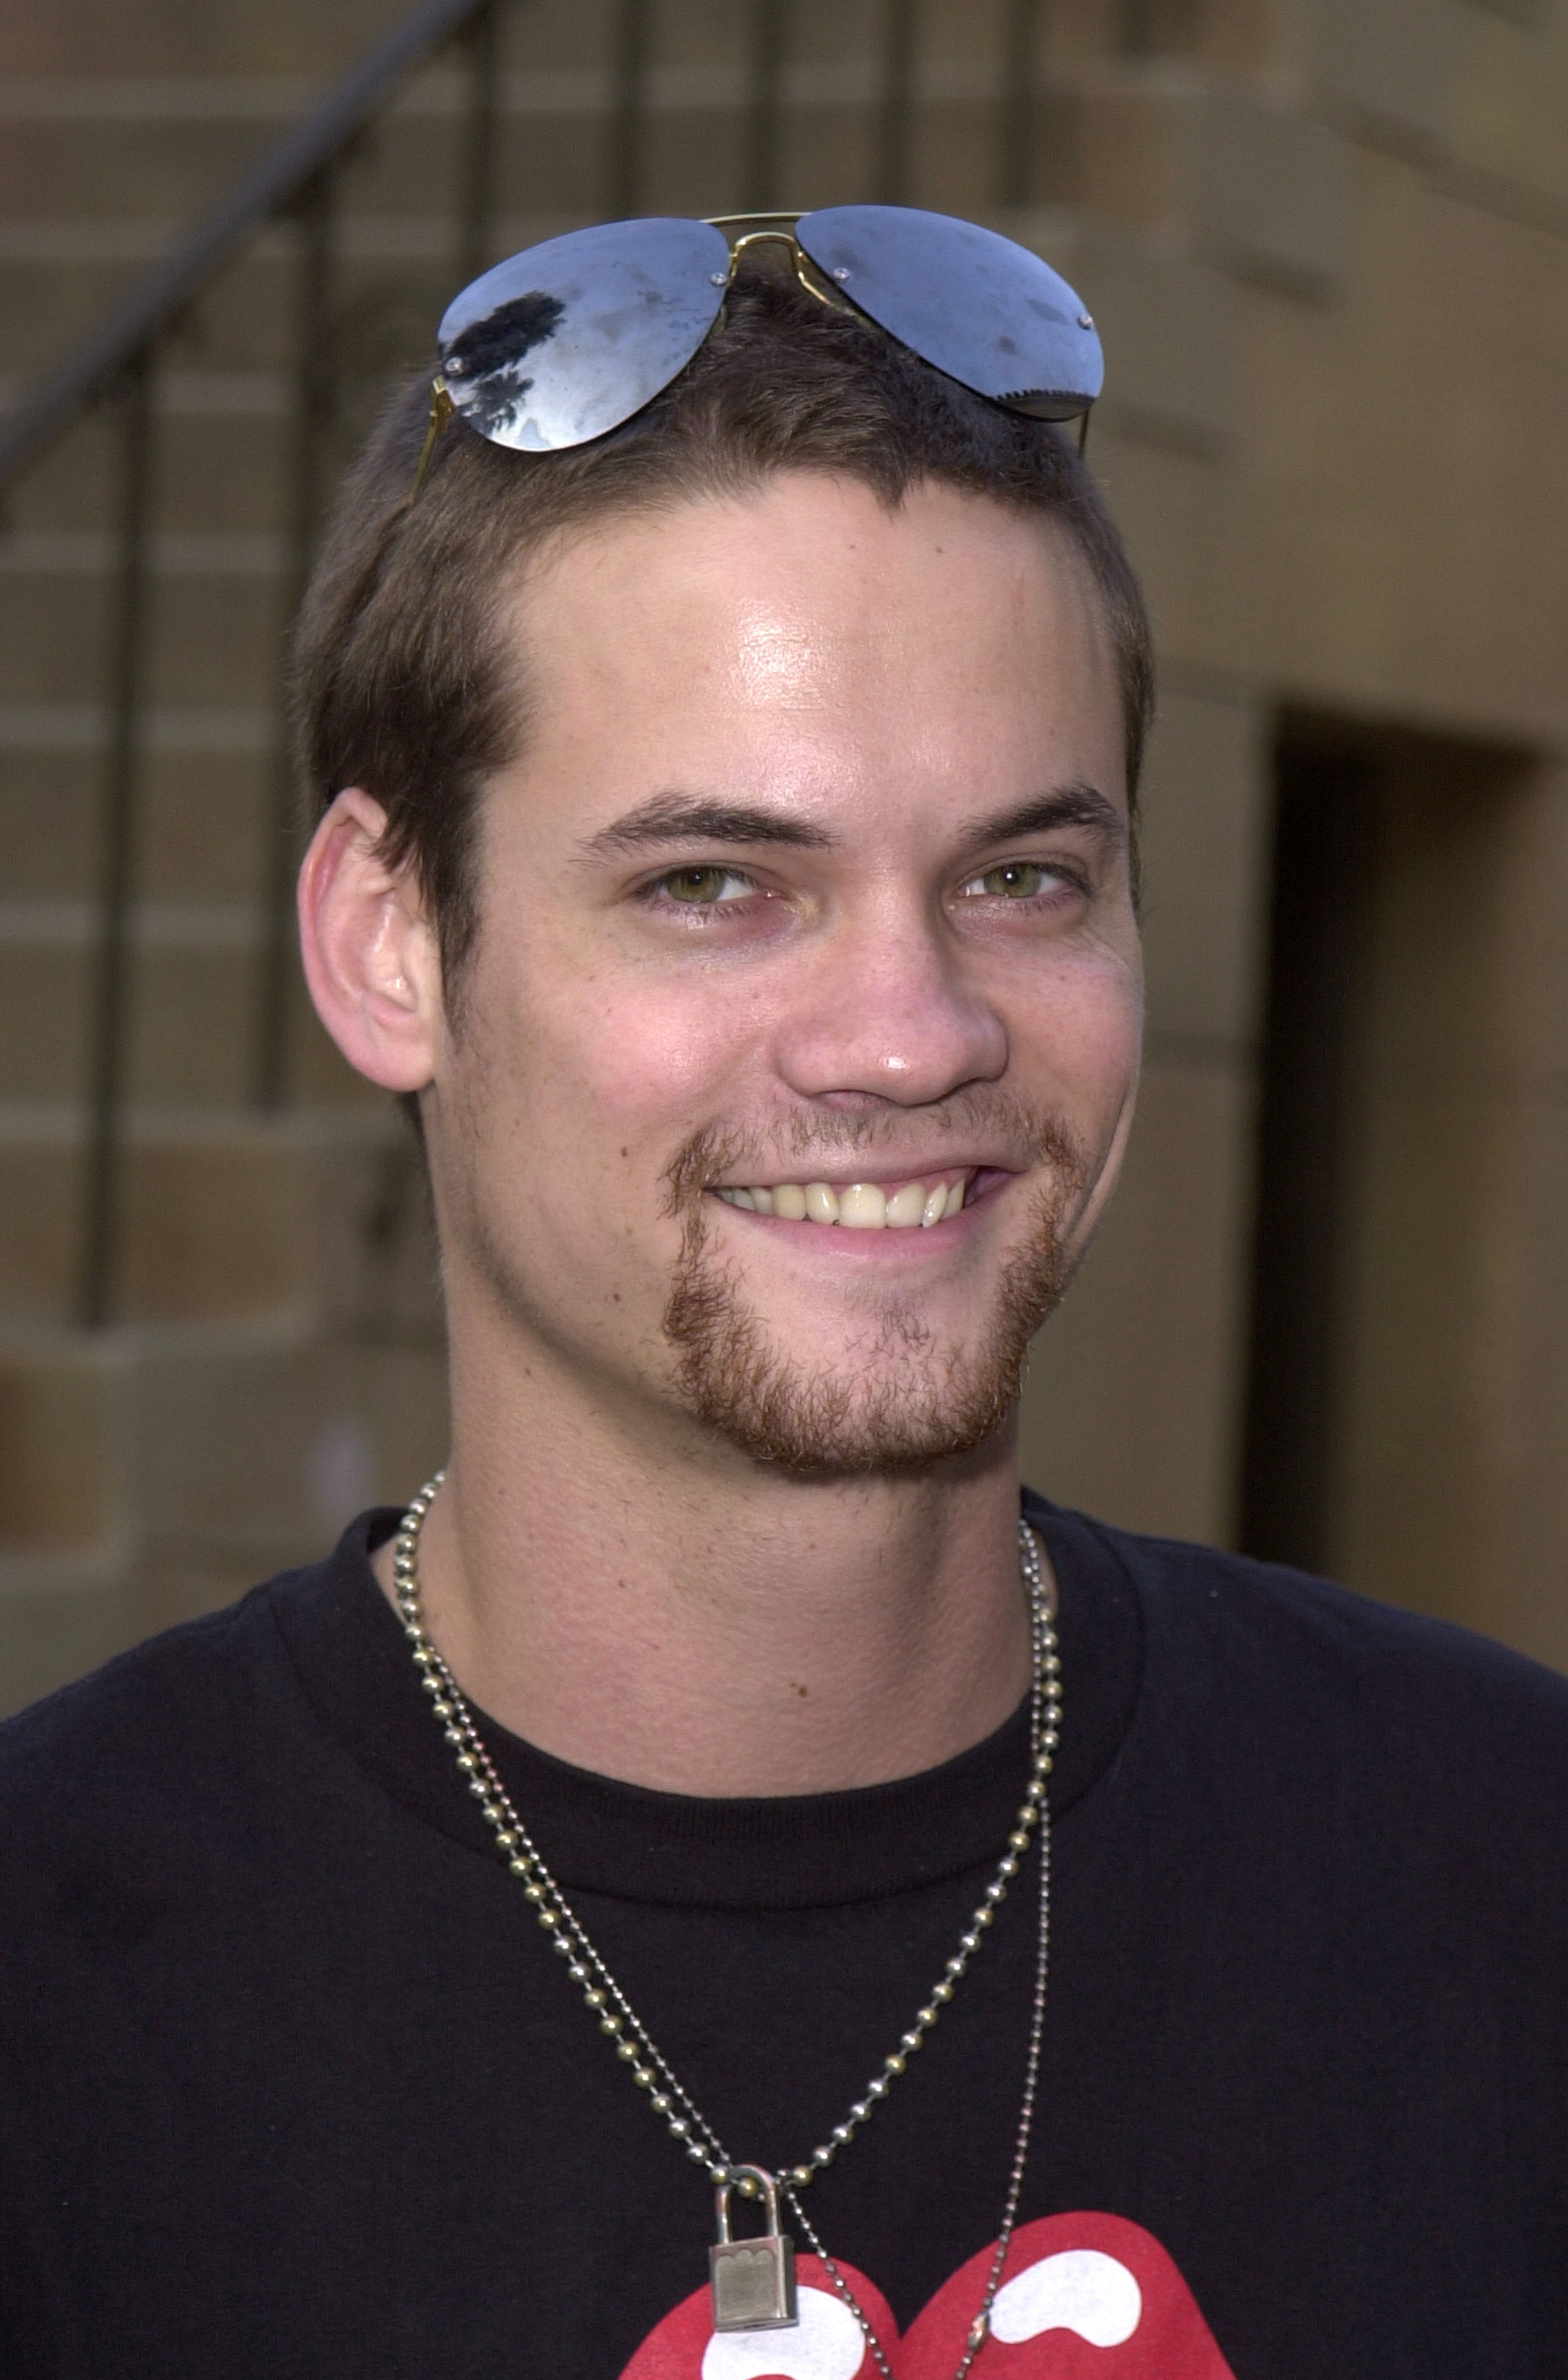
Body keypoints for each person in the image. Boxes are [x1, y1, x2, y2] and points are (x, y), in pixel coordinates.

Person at [1, 211, 1564, 2380]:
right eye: (717, 885)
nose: (911, 1034)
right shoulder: (59, 2004)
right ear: (389, 940)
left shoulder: (1505, 1876)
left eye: (1023, 877)